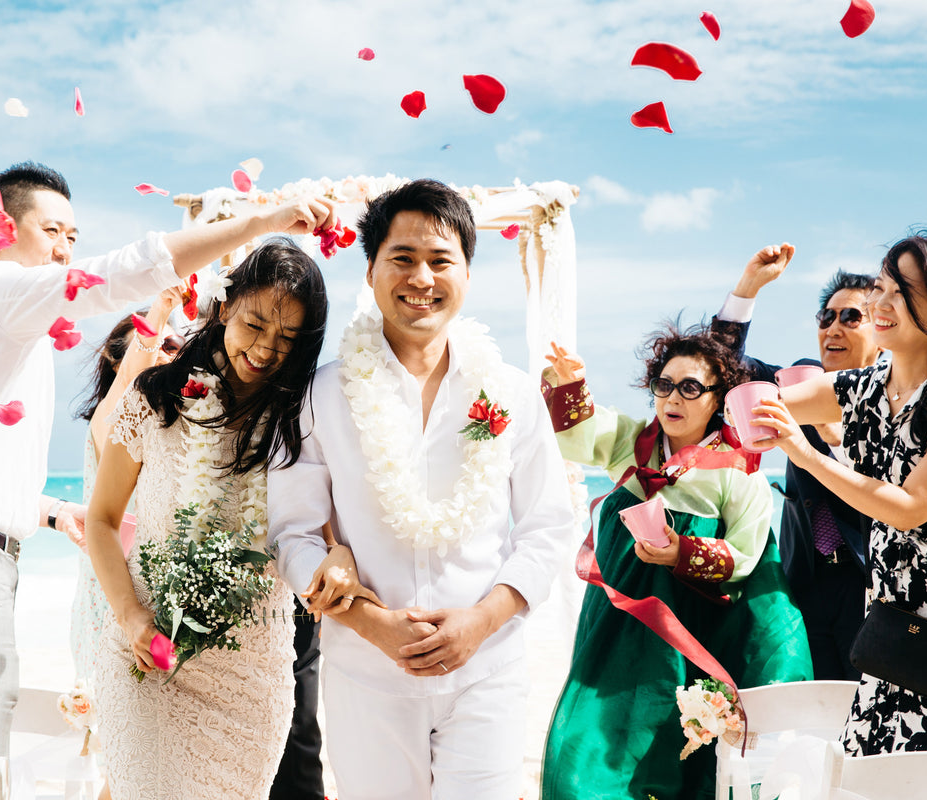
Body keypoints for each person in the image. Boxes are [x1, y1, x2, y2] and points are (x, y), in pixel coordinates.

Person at [0, 161, 332, 772]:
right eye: (52, 231)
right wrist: (267, 220)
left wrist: (57, 515)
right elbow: (116, 275)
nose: (65, 251)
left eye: (73, 238)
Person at [267, 179, 574, 800]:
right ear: (373, 269)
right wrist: (371, 622)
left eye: (441, 261)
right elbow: (291, 533)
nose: (421, 278)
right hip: (366, 672)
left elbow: (548, 528)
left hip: (487, 669)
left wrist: (481, 621)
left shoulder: (509, 391)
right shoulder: (322, 394)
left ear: (466, 271)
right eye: (402, 259)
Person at [84, 238, 374, 799]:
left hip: (250, 675)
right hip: (149, 648)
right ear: (223, 307)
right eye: (255, 324)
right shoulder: (156, 399)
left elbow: (332, 530)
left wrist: (340, 555)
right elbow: (100, 519)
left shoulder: (303, 419)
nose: (266, 348)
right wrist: (131, 616)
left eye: (288, 338)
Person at [539, 325, 812, 799]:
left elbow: (747, 554)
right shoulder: (632, 442)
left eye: (690, 387)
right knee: (587, 735)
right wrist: (569, 384)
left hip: (686, 629)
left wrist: (681, 552)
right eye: (663, 385)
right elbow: (577, 435)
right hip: (616, 623)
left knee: (665, 735)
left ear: (720, 399)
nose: (673, 398)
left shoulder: (736, 467)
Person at [756, 234, 927, 754]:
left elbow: (909, 509)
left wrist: (807, 455)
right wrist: (728, 409)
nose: (881, 303)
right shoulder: (862, 388)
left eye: (901, 291)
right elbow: (760, 399)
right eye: (881, 286)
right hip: (888, 628)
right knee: (869, 774)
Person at [710, 245, 880, 680]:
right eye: (826, 317)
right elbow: (721, 366)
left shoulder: (894, 401)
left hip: (872, 588)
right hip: (804, 581)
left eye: (850, 317)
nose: (833, 328)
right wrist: (748, 287)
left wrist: (835, 439)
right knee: (814, 715)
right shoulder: (800, 384)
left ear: (883, 330)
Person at [71, 293, 186, 684]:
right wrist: (163, 307)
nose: (172, 355)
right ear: (119, 360)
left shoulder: (166, 424)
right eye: (163, 345)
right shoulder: (111, 413)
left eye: (179, 347)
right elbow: (130, 378)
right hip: (115, 592)